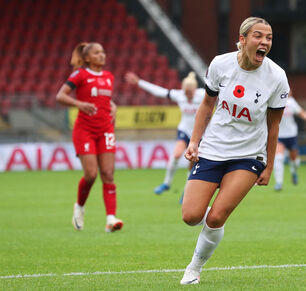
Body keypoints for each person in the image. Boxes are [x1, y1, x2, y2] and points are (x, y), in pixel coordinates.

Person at [179, 16, 290, 285]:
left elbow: (273, 126)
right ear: (242, 40)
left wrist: (270, 166)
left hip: (249, 155)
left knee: (216, 216)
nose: (265, 42)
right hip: (213, 149)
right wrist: (194, 142)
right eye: (258, 36)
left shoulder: (276, 77)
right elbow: (206, 105)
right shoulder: (220, 64)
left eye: (269, 37)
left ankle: (194, 268)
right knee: (191, 216)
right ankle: (211, 217)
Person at [56, 42, 123, 233]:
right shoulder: (80, 74)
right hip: (84, 130)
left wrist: (113, 105)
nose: (102, 55)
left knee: (108, 174)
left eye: (103, 52)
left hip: (106, 130)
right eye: (97, 53)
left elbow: (102, 99)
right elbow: (60, 96)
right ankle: (79, 206)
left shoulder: (109, 77)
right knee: (91, 174)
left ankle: (111, 219)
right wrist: (79, 104)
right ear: (87, 58)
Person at [125, 71, 204, 200]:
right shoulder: (179, 95)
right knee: (177, 154)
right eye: (186, 92)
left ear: (195, 89)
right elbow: (159, 91)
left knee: (193, 163)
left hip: (199, 133)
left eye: (190, 92)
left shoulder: (202, 95)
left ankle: (186, 191)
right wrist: (139, 82)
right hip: (184, 130)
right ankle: (167, 183)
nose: (188, 95)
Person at [273, 92, 306, 191]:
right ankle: (279, 183)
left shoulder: (291, 102)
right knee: (278, 158)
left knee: (294, 160)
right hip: (279, 135)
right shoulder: (274, 101)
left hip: (291, 135)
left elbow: (301, 112)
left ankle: (294, 172)